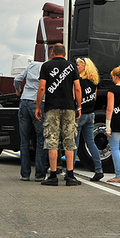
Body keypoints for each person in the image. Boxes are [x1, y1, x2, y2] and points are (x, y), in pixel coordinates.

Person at [35, 43, 82, 186]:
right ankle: (70, 175)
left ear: (53, 53)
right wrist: (78, 107)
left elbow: (42, 87)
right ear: (65, 54)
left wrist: (38, 107)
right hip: (68, 107)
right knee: (69, 140)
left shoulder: (46, 66)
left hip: (52, 107)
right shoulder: (72, 66)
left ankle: (53, 175)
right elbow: (78, 88)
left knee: (52, 140)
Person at [14, 59, 47, 182]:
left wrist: (18, 91)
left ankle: (25, 174)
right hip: (38, 103)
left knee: (24, 140)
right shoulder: (46, 68)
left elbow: (17, 79)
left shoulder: (30, 66)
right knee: (40, 139)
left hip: (24, 102)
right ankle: (39, 174)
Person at [74, 58, 103, 181]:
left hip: (80, 114)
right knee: (90, 142)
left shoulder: (78, 81)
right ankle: (99, 169)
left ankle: (70, 170)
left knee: (74, 143)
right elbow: (95, 98)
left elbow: (75, 96)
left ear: (85, 67)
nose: (77, 66)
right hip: (91, 114)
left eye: (78, 65)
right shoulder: (94, 82)